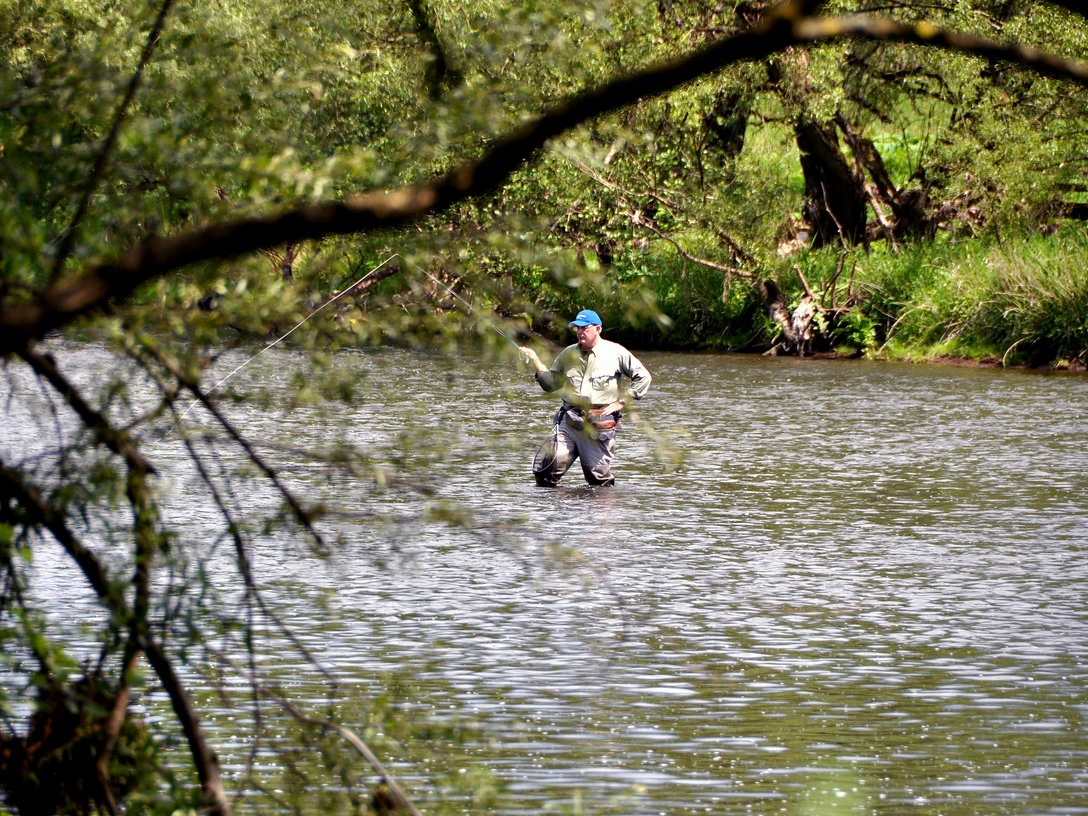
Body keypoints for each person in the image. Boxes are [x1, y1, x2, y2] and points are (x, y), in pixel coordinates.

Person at [519, 309, 651, 487]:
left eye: (584, 328)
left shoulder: (616, 352)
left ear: (597, 328)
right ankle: (553, 513)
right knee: (546, 473)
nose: (580, 332)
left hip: (598, 426)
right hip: (569, 422)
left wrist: (622, 401)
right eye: (577, 328)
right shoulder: (568, 354)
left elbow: (643, 377)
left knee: (598, 481)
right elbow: (551, 384)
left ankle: (599, 513)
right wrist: (535, 360)